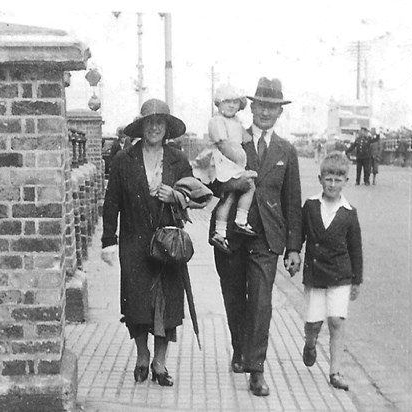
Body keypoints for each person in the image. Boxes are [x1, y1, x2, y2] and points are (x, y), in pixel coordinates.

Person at [209, 77, 302, 397]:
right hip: (232, 233)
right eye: (260, 105)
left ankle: (256, 368)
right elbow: (211, 181)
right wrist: (228, 187)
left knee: (261, 302)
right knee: (235, 297)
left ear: (279, 113)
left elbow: (292, 200)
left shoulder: (286, 150)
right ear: (253, 108)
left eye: (272, 108)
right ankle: (240, 348)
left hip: (267, 237)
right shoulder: (233, 137)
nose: (265, 112)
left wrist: (294, 247)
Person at [101, 98, 193, 387]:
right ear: (141, 127)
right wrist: (108, 240)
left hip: (168, 243)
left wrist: (175, 197)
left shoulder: (179, 160)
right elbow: (111, 202)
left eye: (160, 122)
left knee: (167, 305)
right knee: (137, 304)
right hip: (134, 242)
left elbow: (195, 197)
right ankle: (142, 355)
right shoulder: (123, 160)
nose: (154, 127)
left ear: (167, 128)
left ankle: (160, 363)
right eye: (149, 122)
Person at [300, 151, 363, 392]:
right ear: (321, 179)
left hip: (340, 275)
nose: (333, 184)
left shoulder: (349, 212)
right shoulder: (311, 206)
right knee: (313, 322)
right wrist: (293, 251)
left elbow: (355, 248)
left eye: (338, 180)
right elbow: (300, 234)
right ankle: (310, 341)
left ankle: (335, 370)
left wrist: (356, 279)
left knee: (337, 321)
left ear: (345, 182)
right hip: (316, 274)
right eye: (329, 179)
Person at [193, 84, 258, 253]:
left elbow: (246, 138)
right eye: (227, 102)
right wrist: (240, 161)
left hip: (231, 160)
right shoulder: (217, 121)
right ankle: (240, 220)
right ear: (219, 103)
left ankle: (220, 232)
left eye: (235, 102)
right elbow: (223, 143)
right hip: (224, 160)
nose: (231, 106)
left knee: (229, 196)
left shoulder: (236, 121)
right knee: (248, 186)